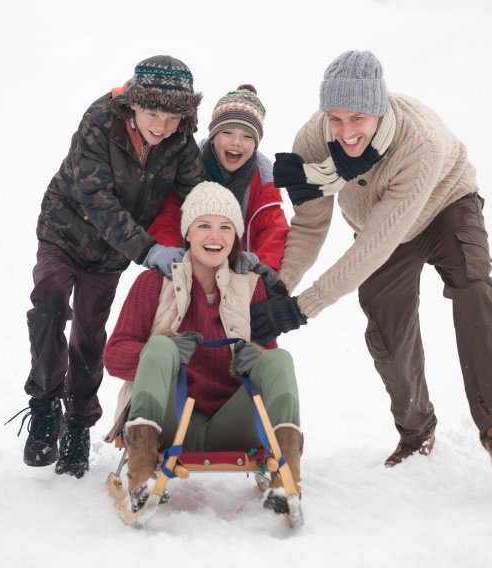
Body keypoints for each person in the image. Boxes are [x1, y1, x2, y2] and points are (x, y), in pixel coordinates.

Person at [250, 50, 492, 489]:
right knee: (386, 323)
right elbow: (310, 225)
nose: (345, 132)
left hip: (445, 205)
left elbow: (380, 242)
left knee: (473, 288)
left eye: (357, 119)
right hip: (375, 224)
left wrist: (306, 307)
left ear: (379, 111)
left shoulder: (420, 141)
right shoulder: (313, 140)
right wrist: (280, 289)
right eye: (336, 119)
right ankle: (416, 431)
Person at [15, 55, 205, 479]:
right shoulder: (99, 122)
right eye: (153, 112)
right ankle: (45, 400)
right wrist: (148, 249)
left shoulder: (180, 142)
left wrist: (214, 244)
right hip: (65, 230)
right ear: (133, 105)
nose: (161, 125)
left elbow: (197, 196)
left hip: (110, 255)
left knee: (89, 332)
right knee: (49, 298)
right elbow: (95, 197)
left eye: (173, 116)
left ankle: (79, 424)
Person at [103, 181, 302, 512]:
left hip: (233, 424)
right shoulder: (152, 282)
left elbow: (270, 369)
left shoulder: (252, 288)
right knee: (160, 347)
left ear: (235, 236)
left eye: (225, 227)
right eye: (204, 226)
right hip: (166, 420)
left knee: (279, 360)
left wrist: (255, 358)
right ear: (188, 233)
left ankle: (287, 479)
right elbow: (114, 357)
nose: (215, 237)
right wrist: (164, 354)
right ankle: (140, 475)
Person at [148, 85, 289, 272]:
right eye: (227, 133)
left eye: (247, 136)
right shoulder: (188, 166)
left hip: (237, 271)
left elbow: (273, 230)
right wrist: (174, 255)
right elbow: (169, 214)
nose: (236, 142)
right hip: (187, 263)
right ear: (213, 137)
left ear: (255, 144)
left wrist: (264, 268)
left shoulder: (262, 181)